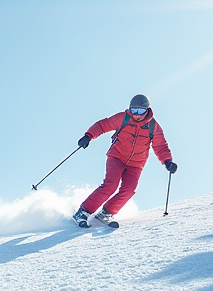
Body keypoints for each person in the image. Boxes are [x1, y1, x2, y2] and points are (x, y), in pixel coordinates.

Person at [72, 94, 177, 228]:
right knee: (110, 185)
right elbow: (103, 125)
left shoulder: (153, 126)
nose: (137, 115)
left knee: (129, 190)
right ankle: (83, 212)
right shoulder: (123, 118)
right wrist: (89, 136)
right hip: (117, 156)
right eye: (134, 111)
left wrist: (167, 161)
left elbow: (160, 145)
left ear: (147, 110)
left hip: (136, 163)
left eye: (140, 111)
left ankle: (106, 213)